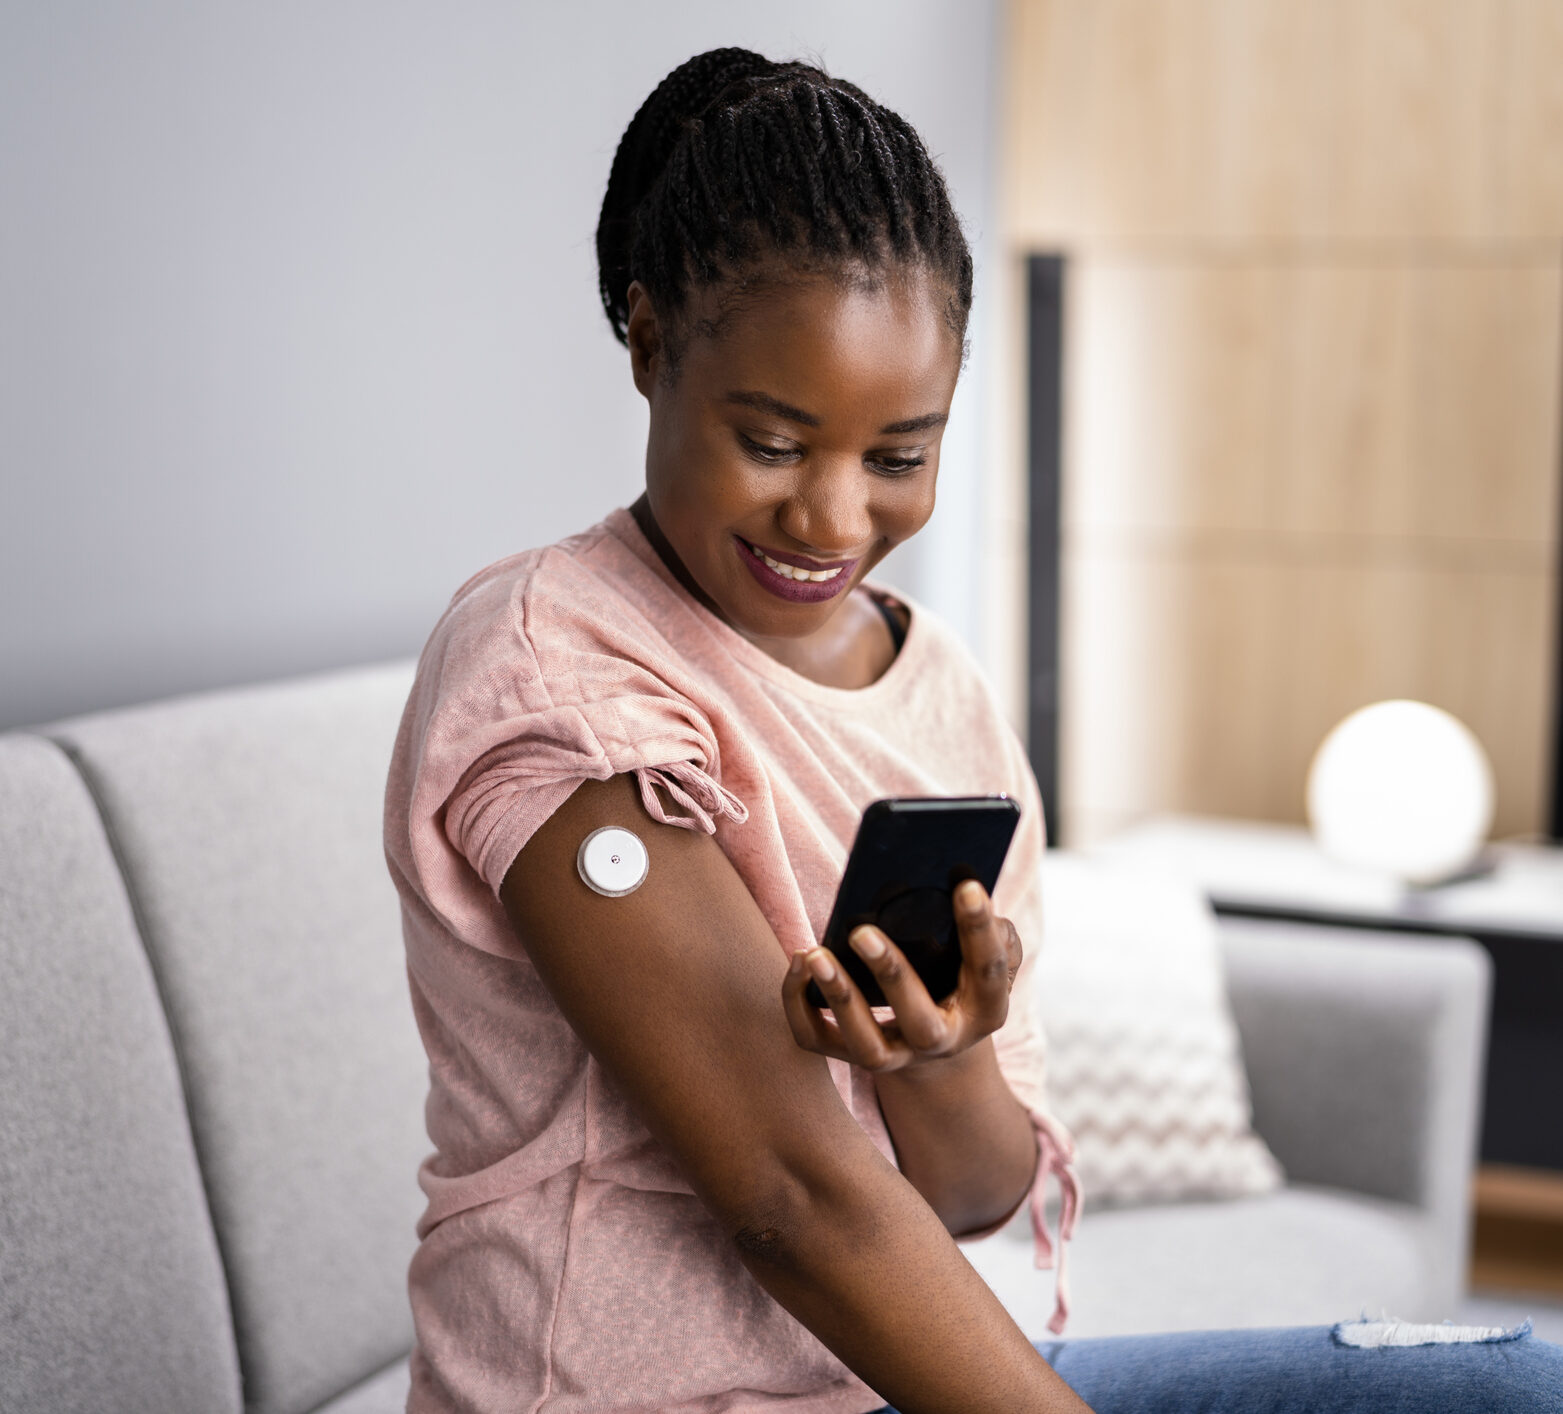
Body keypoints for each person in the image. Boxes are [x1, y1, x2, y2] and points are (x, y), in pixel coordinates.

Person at [384, 47, 1563, 1414]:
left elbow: (975, 1192)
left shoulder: (940, 691)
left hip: (870, 1387)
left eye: (897, 456)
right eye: (771, 442)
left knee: (1507, 1387)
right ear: (649, 344)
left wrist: (942, 1052)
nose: (833, 519)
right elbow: (793, 1194)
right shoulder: (553, 664)